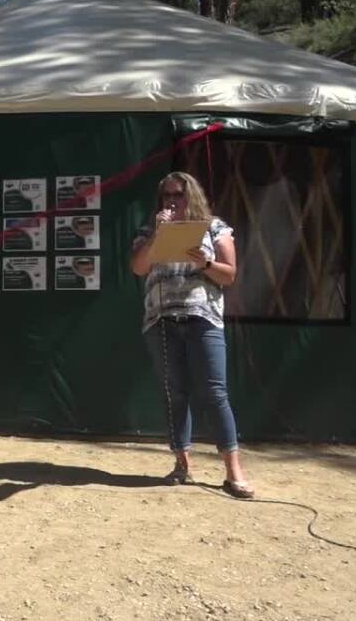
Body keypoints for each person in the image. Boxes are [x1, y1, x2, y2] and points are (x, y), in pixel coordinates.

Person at [130, 171, 254, 499]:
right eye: (167, 195)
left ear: (192, 196)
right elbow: (139, 268)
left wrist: (206, 263)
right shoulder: (149, 230)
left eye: (179, 194)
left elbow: (229, 275)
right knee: (175, 392)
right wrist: (158, 236)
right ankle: (182, 463)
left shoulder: (213, 227)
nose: (172, 201)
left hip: (203, 317)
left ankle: (234, 471)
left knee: (215, 391)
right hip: (161, 320)